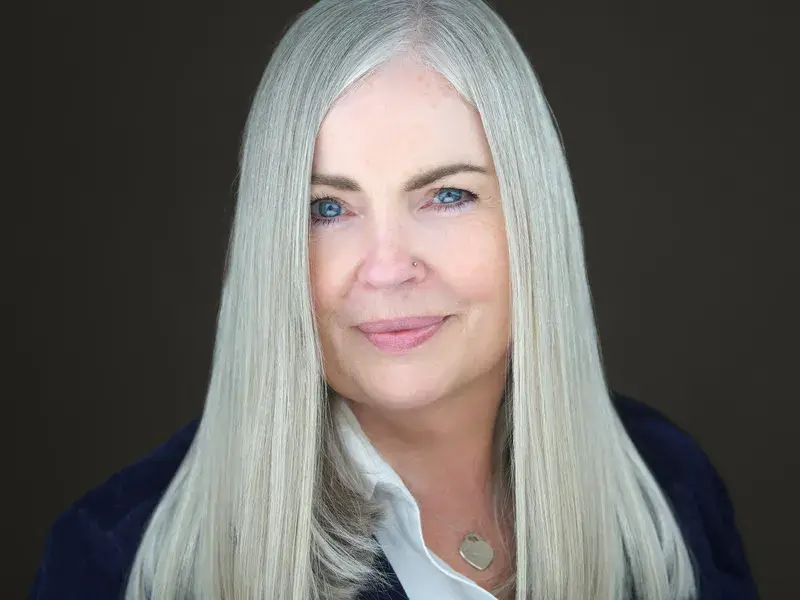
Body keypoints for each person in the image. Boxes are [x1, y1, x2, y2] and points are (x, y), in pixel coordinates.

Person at [30, 0, 758, 598]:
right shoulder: (121, 561)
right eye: (327, 208)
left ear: (533, 217)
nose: (386, 268)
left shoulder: (670, 486)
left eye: (447, 195)